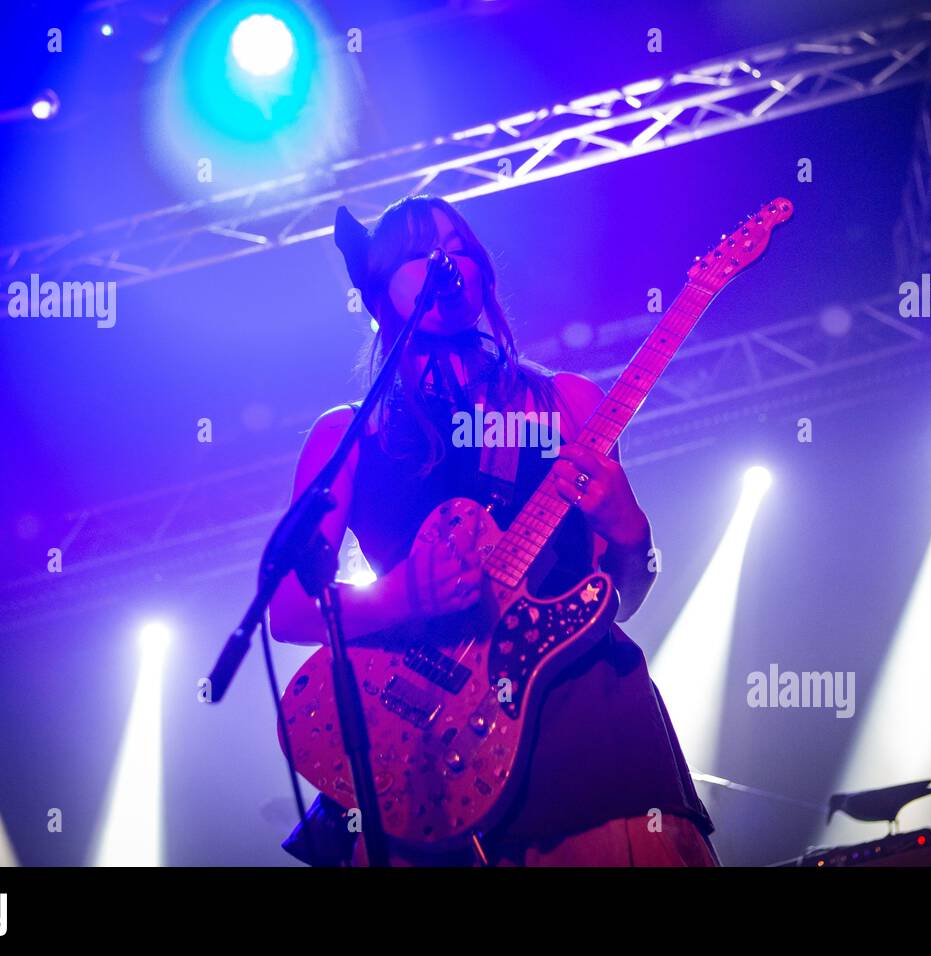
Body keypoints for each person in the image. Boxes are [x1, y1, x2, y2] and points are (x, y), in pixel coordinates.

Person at [270, 195, 716, 866]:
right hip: (421, 758)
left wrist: (627, 523)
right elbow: (288, 610)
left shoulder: (568, 401)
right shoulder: (347, 434)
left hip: (586, 737)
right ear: (377, 287)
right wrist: (401, 601)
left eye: (461, 247)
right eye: (421, 251)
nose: (447, 260)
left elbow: (623, 594)